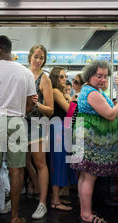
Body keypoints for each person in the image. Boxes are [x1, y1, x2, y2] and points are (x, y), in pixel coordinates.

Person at [0, 35, 38, 223]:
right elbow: (31, 102)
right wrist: (19, 113)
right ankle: (14, 218)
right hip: (16, 121)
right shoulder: (25, 73)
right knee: (16, 171)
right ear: (10, 50)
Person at [71, 60, 118, 223]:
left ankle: (85, 210)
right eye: (99, 76)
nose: (103, 79)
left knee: (84, 177)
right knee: (89, 177)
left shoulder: (90, 90)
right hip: (92, 140)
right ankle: (87, 215)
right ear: (90, 76)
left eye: (105, 76)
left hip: (87, 138)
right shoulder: (93, 94)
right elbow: (111, 114)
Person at [24, 44, 54, 219]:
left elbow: (50, 110)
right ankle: (35, 189)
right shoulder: (22, 74)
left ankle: (42, 203)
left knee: (40, 162)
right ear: (30, 56)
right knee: (24, 162)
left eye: (41, 58)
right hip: (21, 123)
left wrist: (36, 104)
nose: (38, 60)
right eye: (36, 56)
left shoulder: (45, 79)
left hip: (37, 124)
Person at [48, 66, 78, 212]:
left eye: (65, 76)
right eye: (61, 76)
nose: (64, 78)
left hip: (61, 128)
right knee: (58, 163)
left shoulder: (60, 93)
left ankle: (57, 197)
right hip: (58, 129)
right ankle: (55, 200)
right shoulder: (55, 92)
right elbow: (70, 111)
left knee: (61, 163)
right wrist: (71, 99)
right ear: (55, 78)